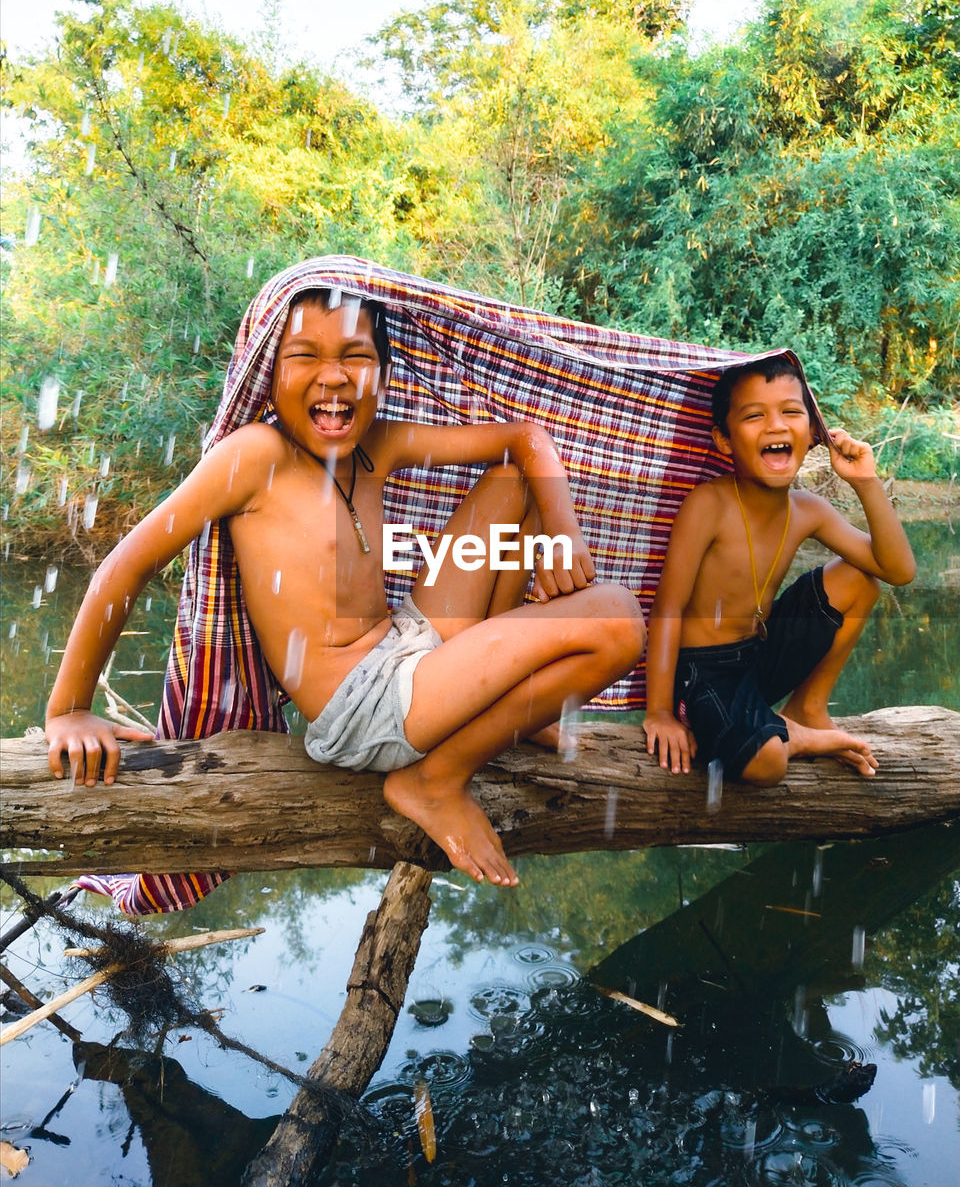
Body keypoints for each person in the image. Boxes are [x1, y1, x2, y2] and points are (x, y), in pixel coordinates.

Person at [45, 287, 646, 887]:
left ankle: (505, 704)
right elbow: (125, 566)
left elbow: (526, 437)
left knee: (517, 482)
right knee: (618, 620)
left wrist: (563, 533)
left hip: (409, 645)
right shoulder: (256, 456)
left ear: (383, 375)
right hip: (362, 709)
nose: (332, 377)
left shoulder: (376, 445)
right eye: (304, 356)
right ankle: (434, 780)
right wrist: (68, 709)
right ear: (270, 375)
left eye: (355, 357)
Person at [642, 354, 915, 786]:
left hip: (759, 655)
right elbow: (667, 608)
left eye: (791, 412)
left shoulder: (807, 510)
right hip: (703, 675)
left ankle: (807, 709)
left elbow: (897, 570)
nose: (775, 425)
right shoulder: (708, 505)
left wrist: (864, 482)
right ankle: (796, 738)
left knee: (858, 580)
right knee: (768, 764)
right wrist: (658, 712)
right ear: (725, 440)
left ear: (811, 434)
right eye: (754, 416)